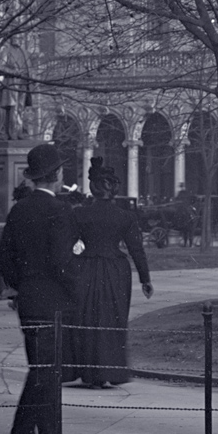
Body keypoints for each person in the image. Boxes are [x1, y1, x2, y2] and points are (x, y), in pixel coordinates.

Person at [0, 141, 79, 434]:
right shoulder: (59, 210)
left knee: (46, 371)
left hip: (29, 299)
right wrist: (75, 289)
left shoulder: (18, 210)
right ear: (56, 175)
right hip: (53, 301)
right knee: (44, 372)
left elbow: (5, 259)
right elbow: (63, 260)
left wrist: (21, 287)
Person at [66, 163, 153, 386]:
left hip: (86, 269)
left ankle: (90, 373)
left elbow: (66, 247)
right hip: (116, 272)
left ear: (92, 187)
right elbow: (136, 249)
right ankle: (109, 372)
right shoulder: (125, 216)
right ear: (113, 188)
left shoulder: (79, 214)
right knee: (112, 319)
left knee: (86, 319)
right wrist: (145, 279)